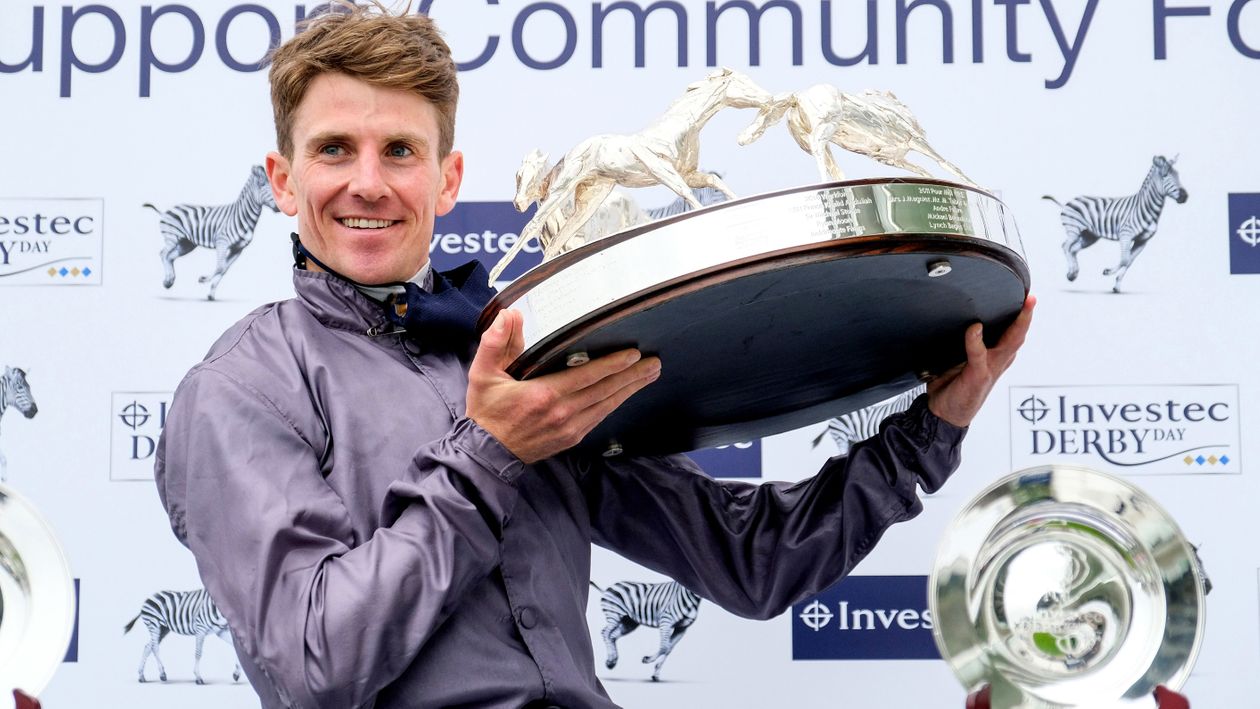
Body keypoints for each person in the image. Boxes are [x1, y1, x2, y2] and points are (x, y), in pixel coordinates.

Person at [154, 5, 1035, 709]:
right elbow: (318, 663)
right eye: (334, 150)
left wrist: (929, 429)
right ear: (281, 179)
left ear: (449, 179)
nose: (370, 183)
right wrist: (488, 451)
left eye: (401, 152)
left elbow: (753, 562)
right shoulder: (240, 390)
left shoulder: (520, 365)